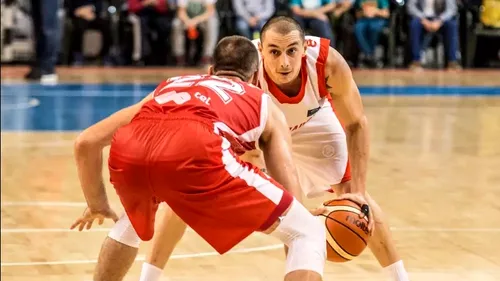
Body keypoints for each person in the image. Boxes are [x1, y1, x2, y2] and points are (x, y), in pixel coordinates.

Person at [129, 16, 410, 281]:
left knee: (355, 200)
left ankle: (400, 277)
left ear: (303, 50)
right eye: (274, 52)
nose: (284, 62)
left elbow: (357, 123)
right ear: (261, 50)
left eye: (291, 51)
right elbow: (217, 124)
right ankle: (149, 277)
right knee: (189, 190)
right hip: (259, 132)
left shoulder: (328, 63)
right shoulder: (242, 67)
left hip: (312, 124)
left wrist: (358, 189)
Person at [70, 35, 331, 281]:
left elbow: (86, 142)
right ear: (253, 76)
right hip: (197, 152)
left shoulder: (171, 84)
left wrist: (97, 203)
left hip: (130, 152)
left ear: (210, 70)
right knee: (307, 232)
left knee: (130, 222)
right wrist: (300, 213)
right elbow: (286, 174)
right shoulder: (262, 100)